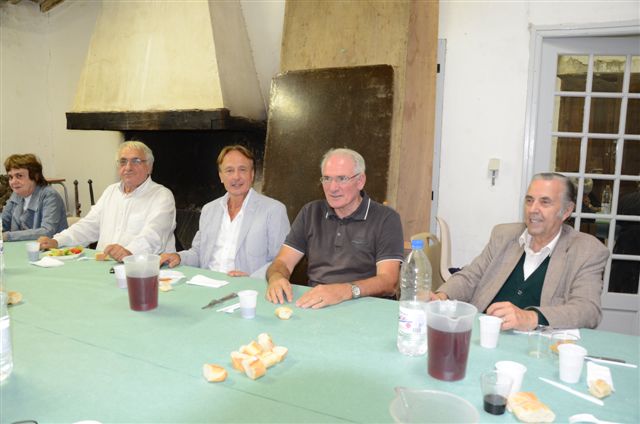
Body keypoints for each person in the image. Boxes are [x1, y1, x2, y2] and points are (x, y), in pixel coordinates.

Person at [432, 172, 609, 330]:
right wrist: (442, 296)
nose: (533, 209)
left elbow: (588, 310)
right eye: (529, 200)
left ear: (566, 211)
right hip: (485, 333)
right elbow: (470, 277)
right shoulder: (504, 235)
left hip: (539, 346)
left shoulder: (586, 251)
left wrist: (531, 317)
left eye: (545, 202)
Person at [265, 148, 404, 309]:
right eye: (327, 178)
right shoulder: (310, 212)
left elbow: (389, 282)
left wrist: (344, 291)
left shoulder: (386, 218)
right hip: (316, 305)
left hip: (366, 306)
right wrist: (276, 277)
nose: (332, 188)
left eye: (342, 179)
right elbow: (282, 262)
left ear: (360, 181)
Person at [159, 145, 289, 278]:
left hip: (247, 286)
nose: (236, 176)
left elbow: (281, 261)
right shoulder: (209, 209)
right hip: (206, 282)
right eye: (229, 170)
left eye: (242, 169)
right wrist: (179, 257)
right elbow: (198, 253)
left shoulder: (273, 210)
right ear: (221, 176)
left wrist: (252, 279)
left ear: (252, 174)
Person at [38, 141, 176, 261]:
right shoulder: (111, 191)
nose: (128, 167)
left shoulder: (162, 196)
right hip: (104, 265)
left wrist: (129, 251)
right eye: (123, 162)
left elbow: (154, 235)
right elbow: (88, 225)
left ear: (149, 167)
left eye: (136, 161)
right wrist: (57, 241)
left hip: (144, 269)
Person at [2, 153, 68, 241]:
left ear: (35, 176)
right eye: (10, 177)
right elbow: (3, 222)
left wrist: (7, 236)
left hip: (50, 248)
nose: (13, 182)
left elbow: (47, 232)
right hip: (22, 247)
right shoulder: (16, 195)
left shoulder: (50, 196)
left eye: (19, 176)